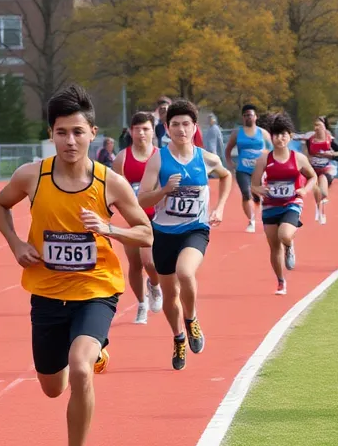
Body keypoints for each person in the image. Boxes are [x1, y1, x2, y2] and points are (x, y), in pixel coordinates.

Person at [0, 84, 152, 446]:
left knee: (80, 367)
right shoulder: (33, 176)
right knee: (52, 387)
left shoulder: (109, 182)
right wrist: (14, 244)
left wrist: (109, 228)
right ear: (51, 134)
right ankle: (92, 352)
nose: (70, 141)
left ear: (92, 132)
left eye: (78, 132)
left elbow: (145, 232)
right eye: (62, 132)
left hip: (96, 291)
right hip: (46, 293)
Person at [137, 99, 231, 370]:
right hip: (164, 234)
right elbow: (142, 199)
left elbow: (226, 176)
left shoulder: (206, 158)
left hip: (195, 230)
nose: (180, 129)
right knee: (169, 296)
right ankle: (178, 337)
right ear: (167, 127)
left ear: (194, 127)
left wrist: (220, 207)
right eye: (175, 124)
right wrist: (163, 191)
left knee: (186, 273)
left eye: (186, 124)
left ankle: (191, 321)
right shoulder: (159, 159)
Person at [251, 114, 317, 295]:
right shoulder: (264, 159)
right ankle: (281, 281)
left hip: (291, 203)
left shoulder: (298, 158)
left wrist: (305, 190)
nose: (279, 138)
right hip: (270, 206)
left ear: (291, 136)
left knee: (284, 235)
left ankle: (289, 245)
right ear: (271, 136)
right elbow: (254, 184)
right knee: (273, 246)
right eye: (276, 134)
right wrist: (259, 190)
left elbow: (313, 176)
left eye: (283, 135)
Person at [112, 111, 164, 323]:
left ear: (153, 131)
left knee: (149, 262)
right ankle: (141, 303)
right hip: (133, 219)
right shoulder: (122, 158)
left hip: (155, 218)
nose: (141, 133)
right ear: (131, 132)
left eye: (146, 129)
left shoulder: (161, 156)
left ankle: (154, 285)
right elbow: (117, 190)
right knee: (134, 265)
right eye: (137, 129)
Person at [222, 104, 271, 232]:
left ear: (256, 117)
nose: (248, 118)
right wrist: (230, 163)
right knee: (246, 193)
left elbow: (272, 150)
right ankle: (251, 221)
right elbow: (227, 150)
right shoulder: (237, 133)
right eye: (245, 116)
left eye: (250, 115)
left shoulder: (263, 133)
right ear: (243, 118)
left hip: (259, 170)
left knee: (259, 193)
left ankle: (258, 201)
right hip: (243, 169)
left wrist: (268, 161)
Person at [305, 116, 338, 225]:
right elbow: (307, 154)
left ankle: (321, 205)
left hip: (326, 169)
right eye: (315, 125)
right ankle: (320, 210)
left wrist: (332, 154)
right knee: (317, 192)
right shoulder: (310, 140)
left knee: (323, 192)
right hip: (313, 170)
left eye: (319, 125)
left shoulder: (329, 140)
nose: (316, 127)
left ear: (324, 127)